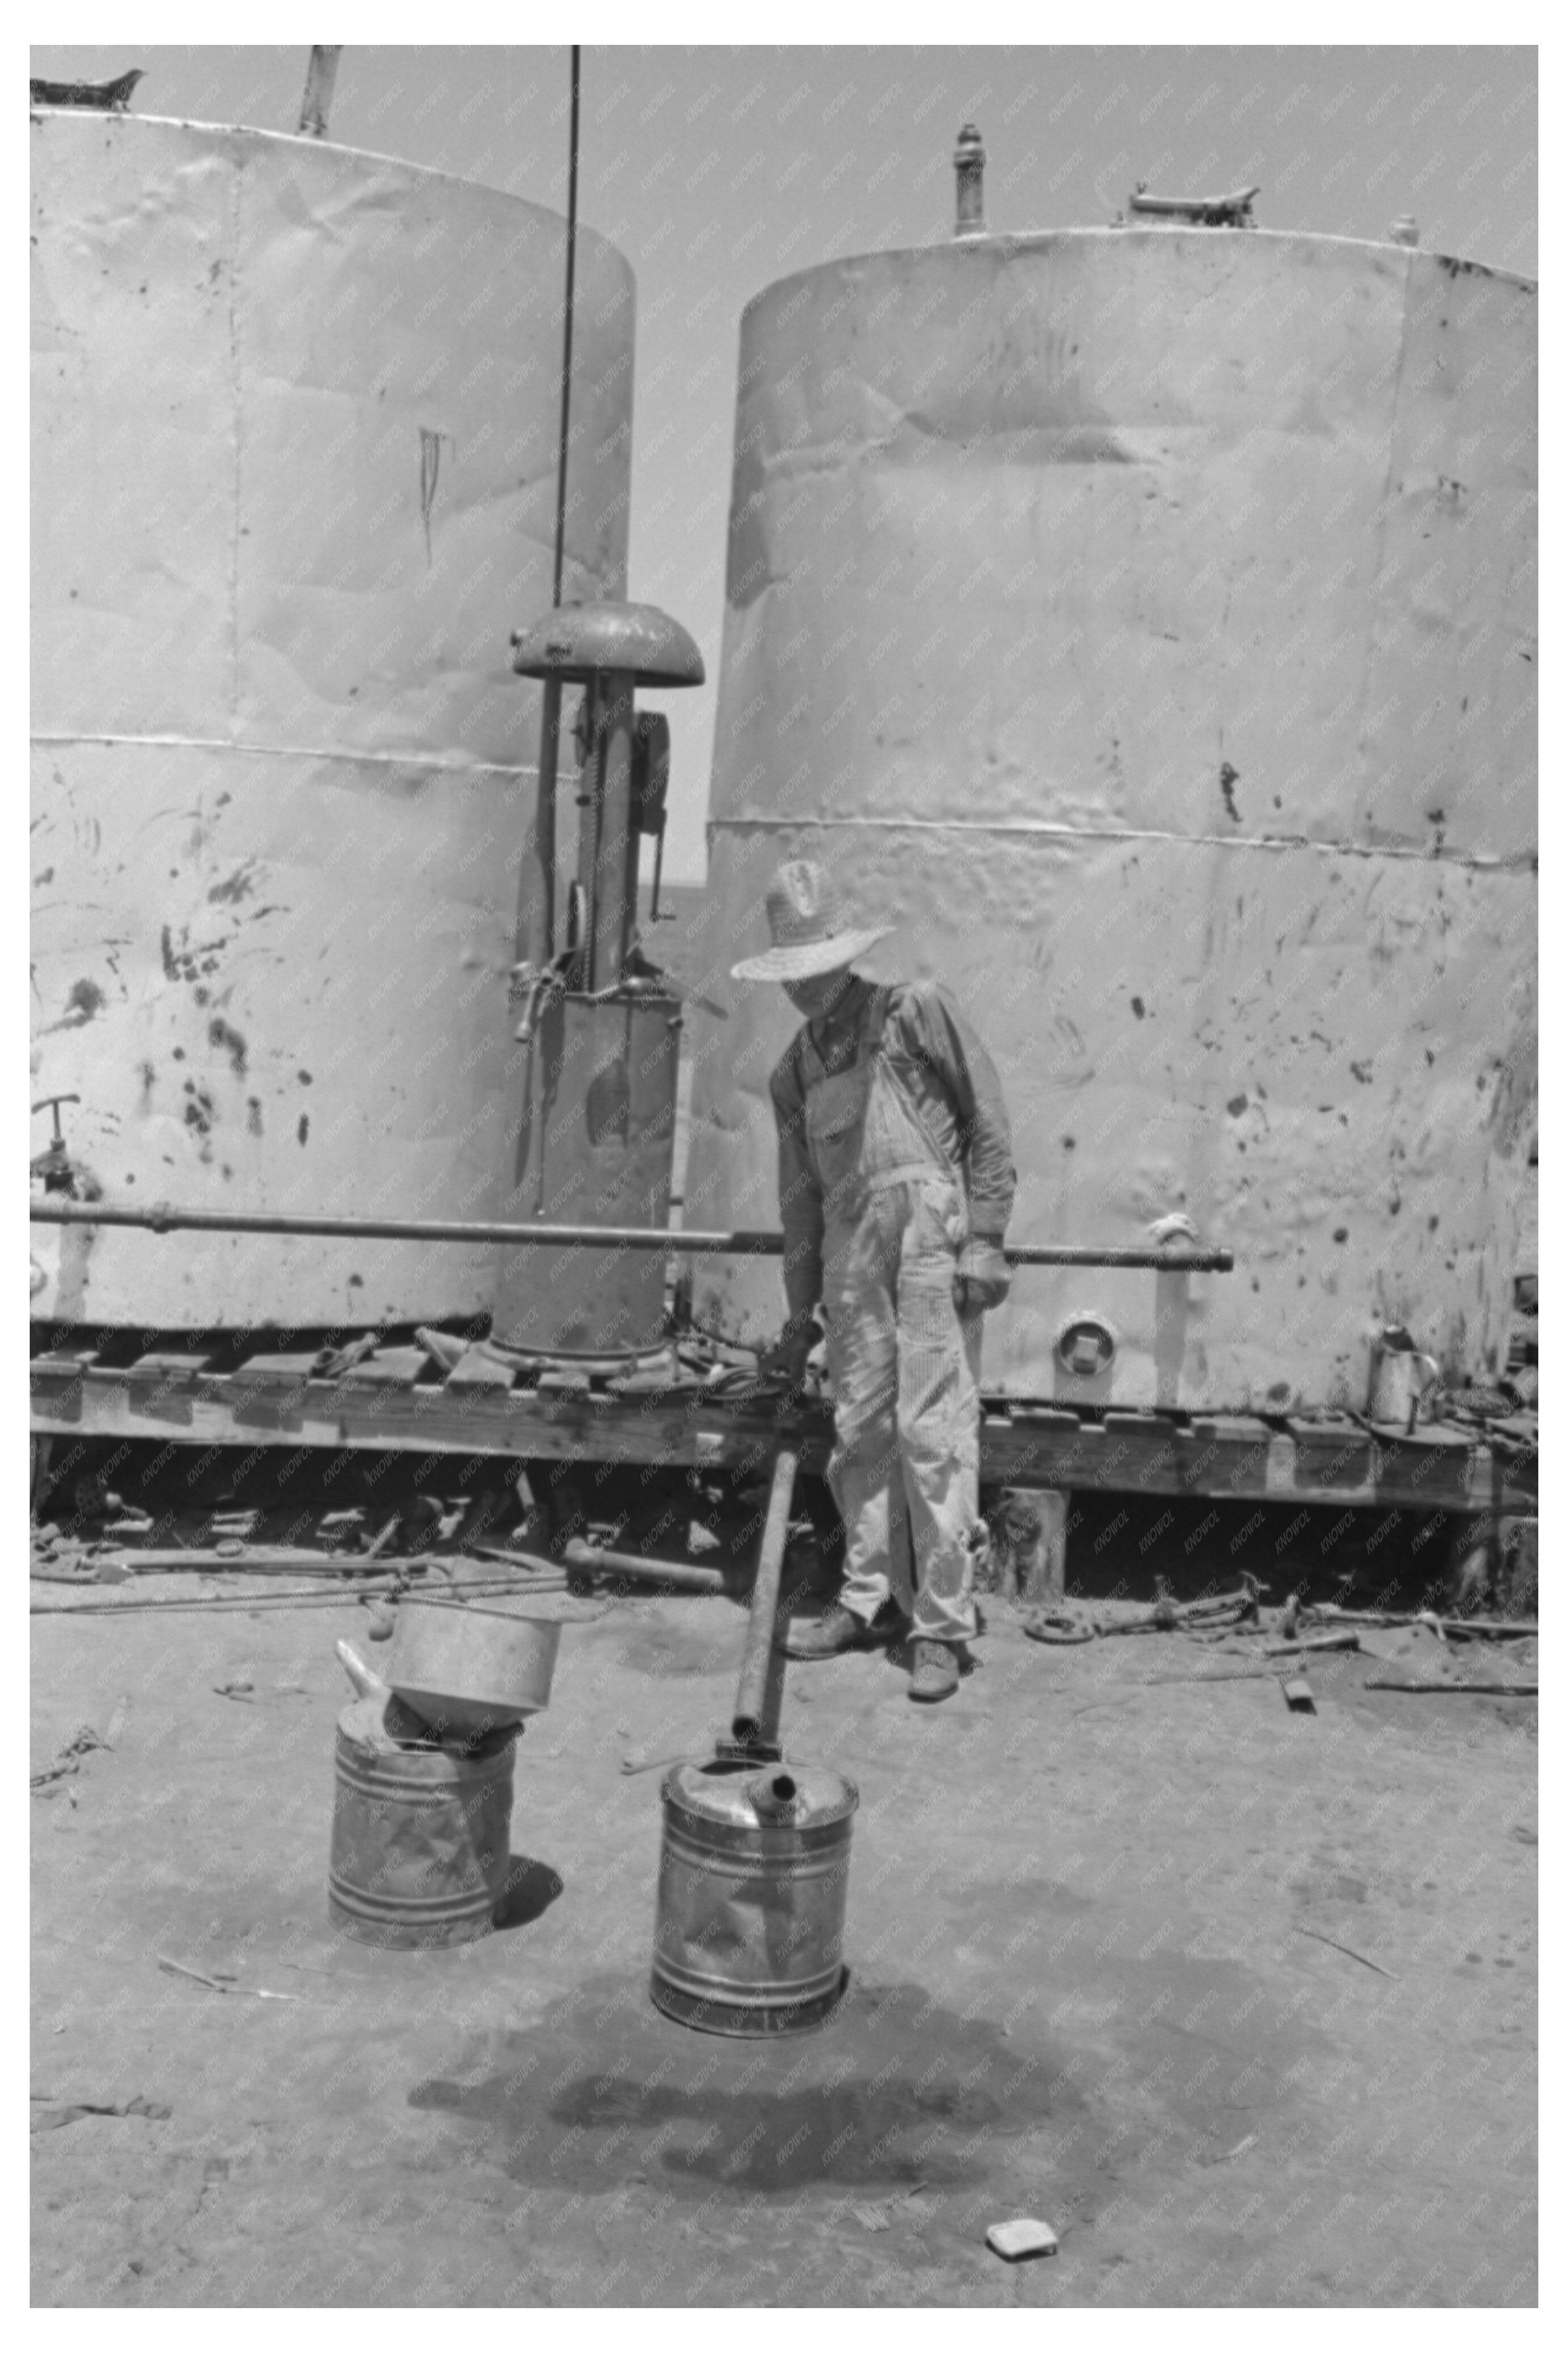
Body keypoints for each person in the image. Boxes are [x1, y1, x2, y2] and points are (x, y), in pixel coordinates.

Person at [732, 860, 1016, 1703]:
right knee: (858, 1430)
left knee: (933, 1431)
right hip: (848, 1256)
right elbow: (798, 1203)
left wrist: (987, 1238)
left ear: (846, 956)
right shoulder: (793, 1072)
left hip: (928, 1240)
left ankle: (941, 1625)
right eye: (790, 975)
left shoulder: (913, 1012)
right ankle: (867, 1602)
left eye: (815, 968)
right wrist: (800, 1316)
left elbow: (986, 1118)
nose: (803, 988)